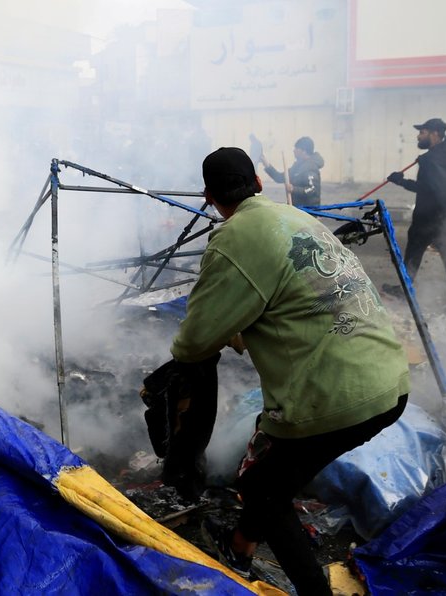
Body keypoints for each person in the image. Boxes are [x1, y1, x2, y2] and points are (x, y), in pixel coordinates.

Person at [171, 147, 410, 594]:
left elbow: (193, 342)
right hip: (390, 380)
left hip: (339, 395)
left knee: (263, 490)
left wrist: (218, 335)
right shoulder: (296, 218)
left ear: (208, 196)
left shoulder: (235, 238)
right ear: (259, 183)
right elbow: (292, 301)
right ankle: (240, 550)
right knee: (270, 472)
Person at [387, 117, 446, 298]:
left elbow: (426, 189)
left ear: (434, 133)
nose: (419, 136)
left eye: (422, 132)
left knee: (413, 255)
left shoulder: (431, 159)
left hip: (427, 217)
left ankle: (405, 291)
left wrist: (401, 181)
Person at [258, 136, 324, 207]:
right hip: (297, 209)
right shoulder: (297, 166)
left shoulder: (311, 167)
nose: (294, 150)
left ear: (304, 151)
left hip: (309, 212)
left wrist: (294, 189)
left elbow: (312, 189)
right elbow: (280, 178)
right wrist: (266, 164)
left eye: (296, 148)